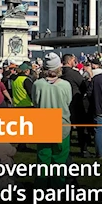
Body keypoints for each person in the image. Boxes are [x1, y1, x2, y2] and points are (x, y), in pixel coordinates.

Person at [31, 53, 72, 189]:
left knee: (43, 159)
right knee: (59, 160)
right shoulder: (65, 85)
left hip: (44, 124)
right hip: (62, 124)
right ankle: (57, 188)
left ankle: (41, 188)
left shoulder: (37, 85)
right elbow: (68, 102)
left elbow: (35, 102)